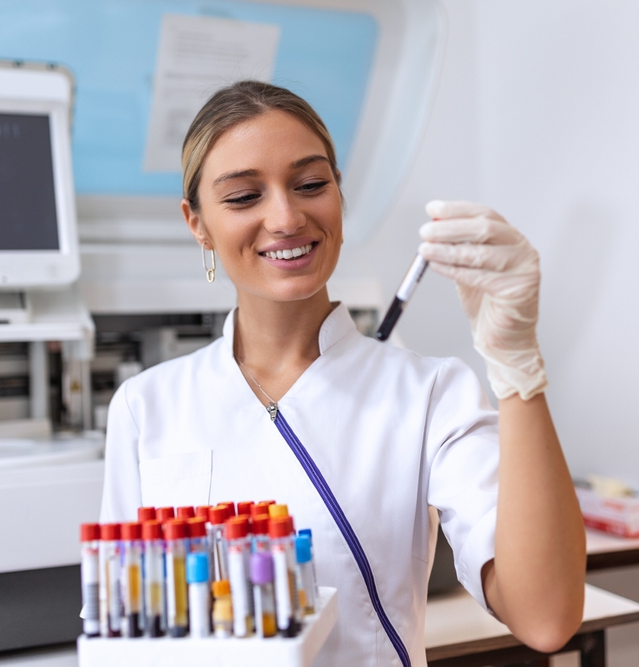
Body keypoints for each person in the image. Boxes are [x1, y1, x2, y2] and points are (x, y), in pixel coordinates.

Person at [100, 80, 585, 665]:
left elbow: (546, 617)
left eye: (310, 185)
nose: (285, 216)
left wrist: (517, 369)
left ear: (338, 198)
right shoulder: (147, 406)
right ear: (197, 223)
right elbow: (128, 633)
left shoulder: (428, 393)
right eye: (242, 197)